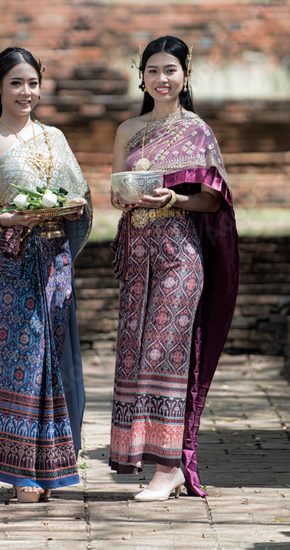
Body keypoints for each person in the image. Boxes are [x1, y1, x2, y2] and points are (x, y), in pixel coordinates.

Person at [108, 35, 239, 501]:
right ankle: (145, 456)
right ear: (140, 75)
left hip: (180, 256)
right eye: (152, 71)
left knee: (166, 355)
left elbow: (214, 198)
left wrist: (175, 198)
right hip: (136, 254)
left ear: (186, 75)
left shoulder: (198, 130)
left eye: (170, 71)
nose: (161, 80)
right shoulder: (128, 129)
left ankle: (170, 467)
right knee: (136, 354)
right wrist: (124, 196)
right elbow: (115, 191)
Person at [0, 47, 92, 503]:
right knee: (20, 363)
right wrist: (8, 220)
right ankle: (20, 472)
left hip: (54, 261)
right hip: (12, 261)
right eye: (16, 83)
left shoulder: (54, 137)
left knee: (55, 360)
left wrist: (73, 207)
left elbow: (79, 195)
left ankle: (56, 466)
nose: (26, 92)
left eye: (33, 83)